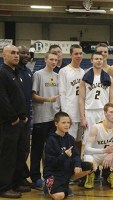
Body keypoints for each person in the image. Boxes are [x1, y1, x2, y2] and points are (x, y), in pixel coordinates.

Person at [43, 112, 92, 200]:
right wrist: (64, 155)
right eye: (63, 123)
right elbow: (51, 162)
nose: (67, 125)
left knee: (88, 167)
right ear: (56, 124)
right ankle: (48, 185)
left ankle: (66, 183)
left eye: (68, 123)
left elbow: (76, 155)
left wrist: (77, 164)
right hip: (54, 172)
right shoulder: (51, 140)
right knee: (59, 196)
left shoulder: (70, 138)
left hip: (66, 169)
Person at [0, 45, 28, 198]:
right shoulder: (2, 73)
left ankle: (16, 182)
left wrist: (23, 116)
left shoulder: (15, 73)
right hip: (9, 123)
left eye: (17, 53)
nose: (16, 56)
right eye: (12, 53)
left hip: (19, 122)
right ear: (4, 56)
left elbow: (18, 98)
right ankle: (4, 187)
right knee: (7, 156)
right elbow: (2, 100)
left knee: (19, 154)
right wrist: (13, 118)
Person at [30, 52, 60, 188]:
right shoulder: (38, 75)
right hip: (41, 118)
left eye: (55, 60)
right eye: (51, 59)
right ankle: (35, 177)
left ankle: (49, 175)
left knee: (51, 150)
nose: (54, 62)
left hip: (54, 118)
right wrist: (48, 99)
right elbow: (33, 95)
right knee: (37, 149)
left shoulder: (58, 76)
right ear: (45, 60)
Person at [83, 103, 113, 189]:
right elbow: (87, 149)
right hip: (97, 155)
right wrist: (103, 151)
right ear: (105, 113)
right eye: (111, 112)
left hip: (110, 155)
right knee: (87, 157)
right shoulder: (96, 127)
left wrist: (110, 154)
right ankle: (90, 176)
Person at [79, 52, 113, 144]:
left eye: (100, 59)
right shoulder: (85, 78)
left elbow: (112, 98)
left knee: (104, 136)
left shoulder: (109, 78)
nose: (99, 61)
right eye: (96, 59)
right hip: (89, 111)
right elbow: (81, 99)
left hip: (104, 111)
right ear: (91, 61)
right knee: (88, 137)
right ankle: (86, 157)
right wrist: (82, 117)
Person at [58, 44, 85, 155]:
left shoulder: (83, 72)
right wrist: (66, 114)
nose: (78, 56)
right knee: (69, 141)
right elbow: (62, 93)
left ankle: (77, 165)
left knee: (79, 141)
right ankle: (68, 168)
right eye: (76, 54)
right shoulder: (64, 71)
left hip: (81, 113)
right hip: (70, 112)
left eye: (80, 53)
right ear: (71, 55)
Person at [17, 46, 33, 188]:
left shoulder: (28, 72)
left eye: (27, 53)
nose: (25, 55)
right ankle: (12, 180)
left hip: (26, 118)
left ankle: (21, 177)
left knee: (24, 150)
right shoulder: (12, 72)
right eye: (22, 53)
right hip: (14, 119)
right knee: (13, 151)